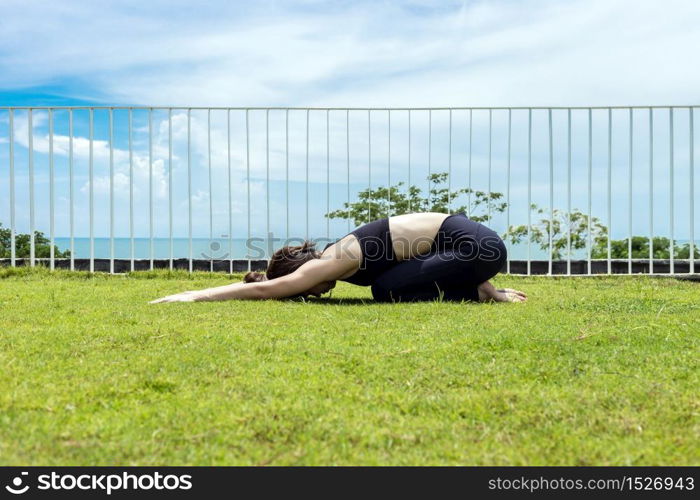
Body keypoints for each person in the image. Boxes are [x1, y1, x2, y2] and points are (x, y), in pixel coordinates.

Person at [149, 212, 526, 304]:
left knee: (385, 289)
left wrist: (193, 296)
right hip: (473, 248)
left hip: (476, 246)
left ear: (303, 270)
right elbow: (424, 264)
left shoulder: (333, 258)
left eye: (307, 289)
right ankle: (481, 290)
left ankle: (479, 295)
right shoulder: (343, 256)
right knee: (390, 283)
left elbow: (269, 291)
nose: (315, 293)